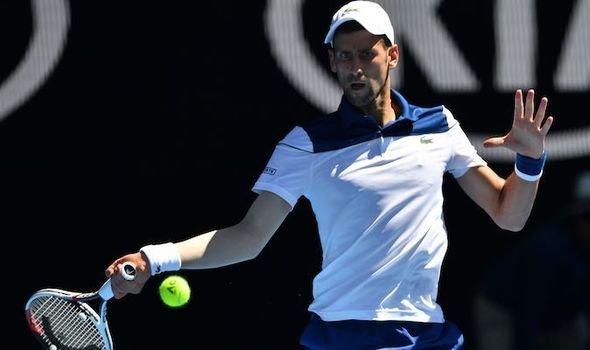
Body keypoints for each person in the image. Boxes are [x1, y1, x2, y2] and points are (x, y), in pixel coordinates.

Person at [105, 1, 554, 349]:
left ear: (392, 55)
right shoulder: (307, 143)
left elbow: (507, 214)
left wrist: (529, 161)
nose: (356, 67)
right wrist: (155, 257)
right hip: (342, 335)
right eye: (345, 56)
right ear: (332, 62)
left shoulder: (438, 125)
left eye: (367, 54)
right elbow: (249, 236)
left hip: (424, 332)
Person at [473, 170, 589, 350]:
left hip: (558, 312)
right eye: (588, 217)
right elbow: (529, 310)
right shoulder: (547, 247)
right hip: (504, 307)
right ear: (576, 218)